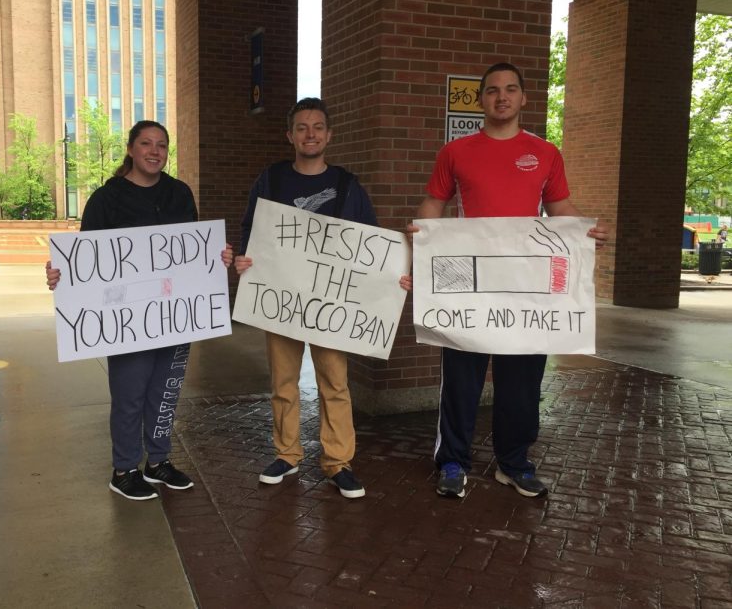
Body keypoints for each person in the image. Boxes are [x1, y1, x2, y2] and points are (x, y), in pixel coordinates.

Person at [414, 63, 608, 499]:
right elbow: (433, 205)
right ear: (481, 100)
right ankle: (452, 461)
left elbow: (561, 210)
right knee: (462, 377)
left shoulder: (546, 153)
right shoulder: (456, 152)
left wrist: (584, 235)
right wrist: (419, 247)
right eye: (492, 91)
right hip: (469, 283)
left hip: (527, 287)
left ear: (523, 99)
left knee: (522, 381)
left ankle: (514, 462)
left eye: (510, 90)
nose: (501, 97)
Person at [225, 97, 409, 499]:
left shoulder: (347, 185)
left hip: (331, 307)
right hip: (283, 301)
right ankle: (287, 455)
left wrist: (392, 278)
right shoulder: (271, 180)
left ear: (329, 134)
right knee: (283, 381)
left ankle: (338, 461)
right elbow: (251, 226)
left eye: (318, 127)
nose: (311, 134)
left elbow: (370, 244)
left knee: (335, 383)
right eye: (302, 128)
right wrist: (244, 259)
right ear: (290, 135)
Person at [46, 120, 233, 502]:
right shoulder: (107, 199)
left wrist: (218, 258)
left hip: (174, 316)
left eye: (162, 145)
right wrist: (60, 275)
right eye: (146, 143)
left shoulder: (180, 193)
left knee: (165, 391)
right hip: (128, 321)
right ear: (130, 149)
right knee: (130, 394)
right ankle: (125, 468)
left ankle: (158, 461)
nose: (154, 151)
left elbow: (190, 253)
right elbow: (88, 263)